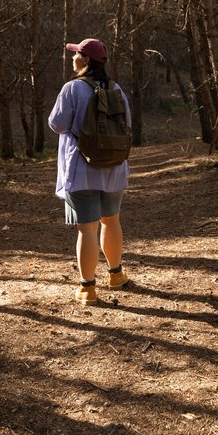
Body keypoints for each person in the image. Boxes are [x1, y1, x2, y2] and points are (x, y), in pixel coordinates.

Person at [48, 38, 131, 306]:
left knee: (87, 228)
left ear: (85, 60)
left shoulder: (72, 89)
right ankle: (116, 275)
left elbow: (57, 124)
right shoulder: (116, 89)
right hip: (115, 168)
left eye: (76, 55)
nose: (72, 58)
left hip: (82, 168)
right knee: (111, 220)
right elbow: (126, 124)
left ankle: (88, 288)